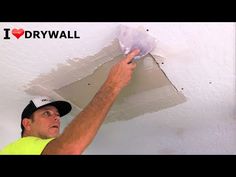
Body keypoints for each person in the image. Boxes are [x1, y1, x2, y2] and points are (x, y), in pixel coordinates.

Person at [0, 49, 140, 155]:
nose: (56, 117)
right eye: (47, 113)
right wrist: (112, 85)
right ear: (27, 123)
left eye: (57, 115)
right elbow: (68, 149)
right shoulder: (21, 147)